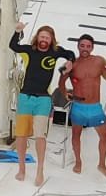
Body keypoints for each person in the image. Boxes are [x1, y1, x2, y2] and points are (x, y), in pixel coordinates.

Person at [9, 22, 76, 186]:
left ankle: (40, 170)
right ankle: (22, 169)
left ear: (51, 39)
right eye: (42, 36)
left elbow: (70, 53)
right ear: (37, 38)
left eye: (47, 37)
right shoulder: (29, 50)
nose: (44, 39)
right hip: (25, 97)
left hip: (43, 98)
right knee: (21, 135)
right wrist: (18, 31)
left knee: (40, 135)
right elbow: (13, 46)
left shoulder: (55, 52)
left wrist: (70, 61)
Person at [57, 34, 106, 176]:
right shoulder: (72, 64)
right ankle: (78, 161)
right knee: (76, 135)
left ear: (92, 48)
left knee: (104, 136)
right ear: (78, 46)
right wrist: (65, 93)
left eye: (88, 46)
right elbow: (61, 82)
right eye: (82, 46)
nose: (85, 49)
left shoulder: (99, 61)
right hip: (78, 106)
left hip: (95, 107)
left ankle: (102, 164)